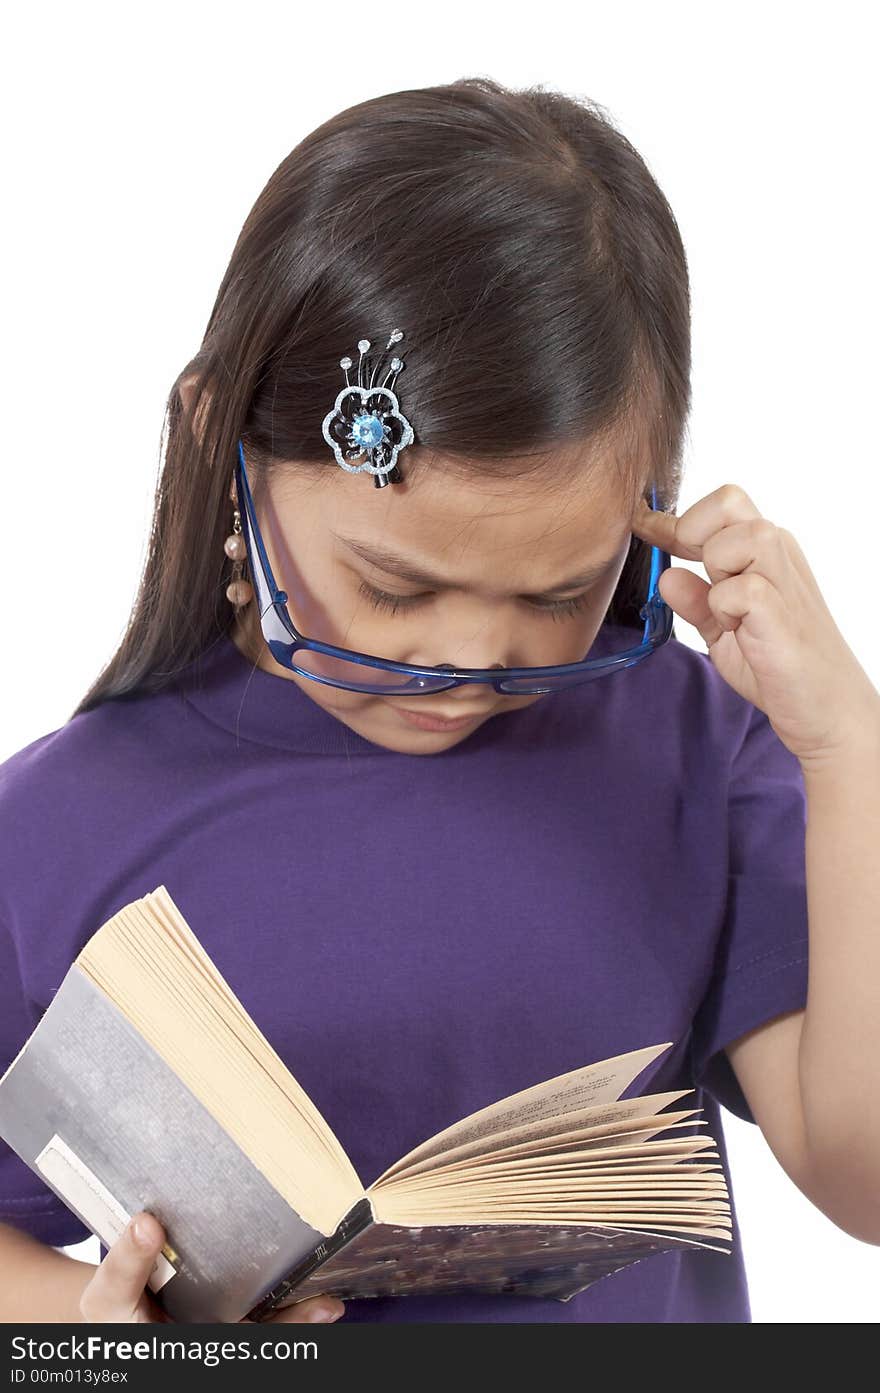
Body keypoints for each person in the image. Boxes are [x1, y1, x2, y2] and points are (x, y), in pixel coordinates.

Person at [1, 76, 878, 1327]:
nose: (467, 660)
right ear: (220, 448)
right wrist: (87, 1318)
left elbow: (864, 1182)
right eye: (394, 586)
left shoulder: (696, 746)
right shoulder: (52, 827)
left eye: (559, 591)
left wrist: (849, 748)